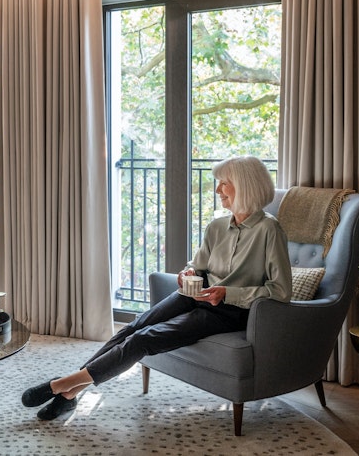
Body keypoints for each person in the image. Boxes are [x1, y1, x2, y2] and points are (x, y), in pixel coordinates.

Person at [21, 156, 292, 420]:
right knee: (132, 328)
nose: (217, 190)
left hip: (230, 309)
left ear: (244, 185)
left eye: (224, 183)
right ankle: (69, 395)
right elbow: (199, 265)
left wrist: (228, 293)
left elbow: (280, 290)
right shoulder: (217, 226)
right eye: (218, 183)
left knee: (145, 338)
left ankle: (59, 386)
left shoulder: (270, 230)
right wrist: (189, 272)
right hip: (195, 294)